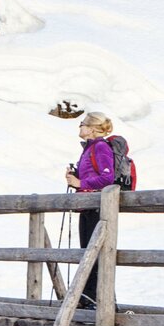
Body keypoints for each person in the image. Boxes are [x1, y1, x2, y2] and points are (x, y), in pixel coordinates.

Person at [66, 112, 119, 308]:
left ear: (92, 128)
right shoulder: (89, 148)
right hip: (88, 205)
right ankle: (88, 296)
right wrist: (76, 178)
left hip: (98, 206)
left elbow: (108, 178)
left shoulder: (101, 147)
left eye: (82, 124)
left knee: (93, 251)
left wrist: (80, 181)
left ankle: (96, 298)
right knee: (87, 250)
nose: (79, 127)